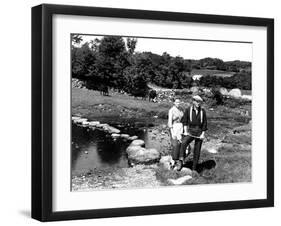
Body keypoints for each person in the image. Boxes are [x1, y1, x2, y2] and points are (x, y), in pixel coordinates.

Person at [179, 95, 208, 172]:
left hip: (199, 132)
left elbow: (205, 123)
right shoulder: (188, 110)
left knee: (197, 151)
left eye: (200, 102)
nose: (199, 103)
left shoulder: (203, 111)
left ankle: (194, 168)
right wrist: (185, 131)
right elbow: (185, 121)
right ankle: (181, 160)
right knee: (184, 142)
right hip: (190, 131)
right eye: (197, 101)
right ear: (193, 101)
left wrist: (203, 134)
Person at [167, 98, 185, 171]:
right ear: (174, 103)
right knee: (175, 145)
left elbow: (183, 120)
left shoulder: (181, 110)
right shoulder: (171, 110)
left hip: (181, 128)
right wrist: (172, 132)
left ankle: (179, 161)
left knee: (181, 145)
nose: (178, 103)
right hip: (174, 128)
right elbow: (170, 122)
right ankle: (173, 161)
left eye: (179, 102)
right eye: (177, 102)